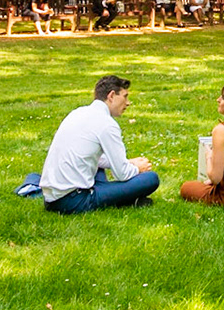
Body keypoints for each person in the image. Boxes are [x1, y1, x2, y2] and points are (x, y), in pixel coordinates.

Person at [34, 75, 159, 213]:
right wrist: (138, 168)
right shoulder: (107, 124)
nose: (128, 103)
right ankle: (126, 199)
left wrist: (129, 162)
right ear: (111, 96)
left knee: (98, 166)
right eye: (125, 96)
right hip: (74, 200)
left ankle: (123, 198)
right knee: (151, 179)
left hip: (51, 198)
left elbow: (94, 158)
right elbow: (122, 174)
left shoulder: (77, 113)